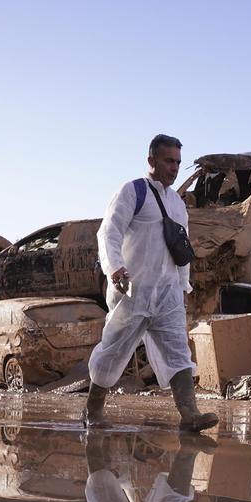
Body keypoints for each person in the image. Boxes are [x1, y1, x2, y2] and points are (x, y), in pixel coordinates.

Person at [83, 134, 218, 432]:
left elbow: (181, 249)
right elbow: (109, 233)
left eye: (178, 163)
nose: (174, 168)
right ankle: (93, 409)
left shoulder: (178, 204)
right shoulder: (133, 192)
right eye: (169, 161)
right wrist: (115, 268)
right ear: (151, 160)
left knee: (178, 351)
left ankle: (190, 414)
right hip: (133, 291)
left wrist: (183, 287)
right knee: (114, 349)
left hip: (167, 294)